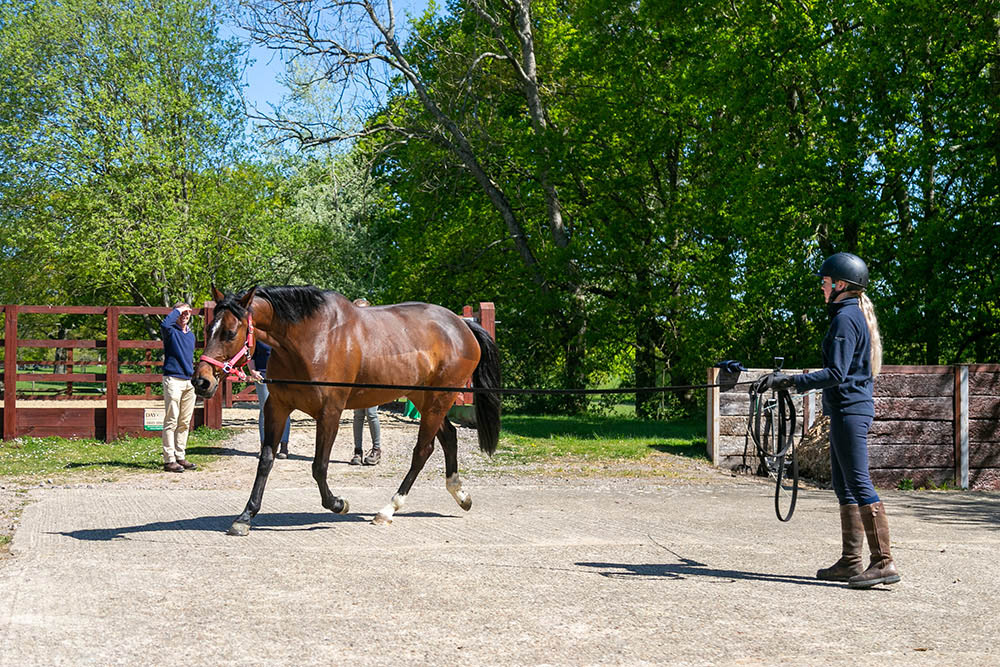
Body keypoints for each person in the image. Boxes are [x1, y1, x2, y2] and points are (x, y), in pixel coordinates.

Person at [757, 252, 900, 589]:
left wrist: (790, 382)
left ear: (840, 284)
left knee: (859, 483)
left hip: (851, 410)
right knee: (843, 485)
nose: (822, 288)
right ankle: (851, 561)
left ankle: (883, 561)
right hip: (844, 410)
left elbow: (835, 373)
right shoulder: (850, 316)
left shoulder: (845, 319)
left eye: (824, 283)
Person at [160, 303, 197, 473]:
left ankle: (180, 455)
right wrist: (177, 310)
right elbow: (164, 324)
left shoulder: (191, 335)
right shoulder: (170, 331)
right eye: (182, 312)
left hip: (188, 381)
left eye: (188, 312)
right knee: (171, 420)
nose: (185, 315)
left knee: (184, 421)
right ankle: (169, 459)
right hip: (173, 379)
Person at [247, 341, 291, 459]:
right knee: (265, 410)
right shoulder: (258, 337)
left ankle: (284, 445)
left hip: (282, 377)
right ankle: (264, 445)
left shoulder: (281, 335)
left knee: (284, 409)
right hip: (263, 376)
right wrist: (252, 371)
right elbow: (251, 355)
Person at [351, 298, 381, 466]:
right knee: (358, 415)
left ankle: (376, 449)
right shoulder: (351, 332)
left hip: (373, 378)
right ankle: (357, 451)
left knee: (371, 413)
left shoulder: (375, 332)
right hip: (356, 378)